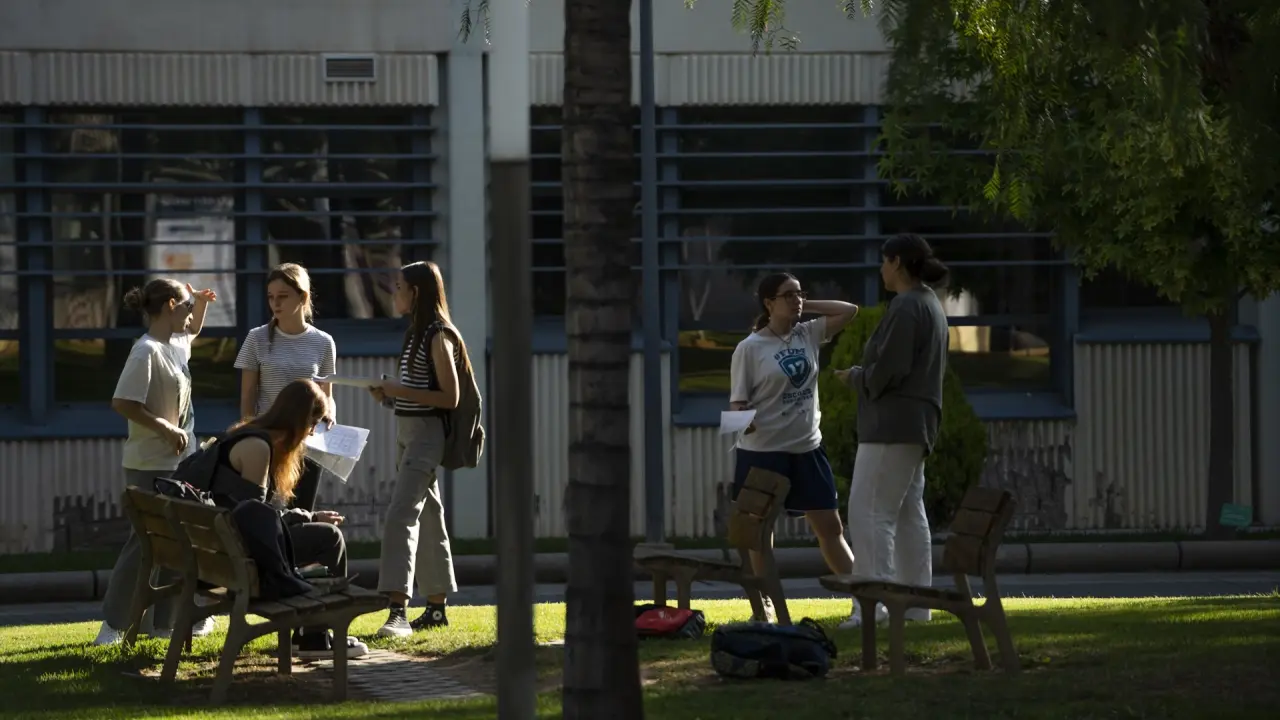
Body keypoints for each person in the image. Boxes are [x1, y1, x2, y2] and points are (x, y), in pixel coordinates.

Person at [834, 233, 950, 628]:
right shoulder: (928, 303)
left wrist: (856, 377)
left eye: (884, 261)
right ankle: (915, 606)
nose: (881, 269)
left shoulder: (907, 306)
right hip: (915, 425)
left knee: (868, 513)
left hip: (891, 426)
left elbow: (890, 368)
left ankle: (872, 607)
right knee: (906, 514)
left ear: (897, 262)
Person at [729, 272, 859, 619]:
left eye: (800, 294)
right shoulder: (749, 348)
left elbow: (849, 311)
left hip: (807, 448)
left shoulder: (808, 333)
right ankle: (766, 606)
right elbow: (737, 402)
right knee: (759, 534)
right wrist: (742, 416)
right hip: (763, 451)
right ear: (768, 303)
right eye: (788, 295)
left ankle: (864, 603)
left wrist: (802, 305)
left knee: (830, 528)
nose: (797, 300)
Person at [95, 279, 218, 646]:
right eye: (186, 307)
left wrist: (200, 302)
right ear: (169, 306)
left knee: (177, 543)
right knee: (144, 543)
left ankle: (165, 623)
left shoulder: (175, 344)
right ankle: (113, 625)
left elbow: (193, 330)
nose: (191, 315)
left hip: (180, 462)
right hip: (149, 464)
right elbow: (123, 402)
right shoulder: (145, 351)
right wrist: (164, 427)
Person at [210, 379, 368, 660]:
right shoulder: (257, 448)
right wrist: (305, 519)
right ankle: (315, 637)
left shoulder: (245, 434)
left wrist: (308, 516)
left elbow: (255, 514)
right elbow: (255, 521)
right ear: (299, 420)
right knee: (329, 538)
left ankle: (313, 632)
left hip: (222, 550)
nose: (311, 434)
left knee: (319, 530)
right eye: (312, 425)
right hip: (240, 556)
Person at [367, 261, 469, 637]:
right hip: (407, 432)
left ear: (416, 292)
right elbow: (418, 394)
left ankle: (397, 610)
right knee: (428, 515)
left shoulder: (438, 336)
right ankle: (437, 608)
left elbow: (450, 397)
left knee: (400, 515)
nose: (393, 292)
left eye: (398, 287)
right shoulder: (415, 334)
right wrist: (389, 397)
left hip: (426, 436)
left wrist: (399, 389)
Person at [234, 263, 337, 511]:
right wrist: (248, 434)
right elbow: (248, 396)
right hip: (269, 440)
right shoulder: (256, 338)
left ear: (303, 297)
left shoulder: (323, 342)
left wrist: (330, 414)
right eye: (271, 297)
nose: (275, 303)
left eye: (283, 296)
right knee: (266, 512)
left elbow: (327, 395)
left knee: (301, 514)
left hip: (307, 443)